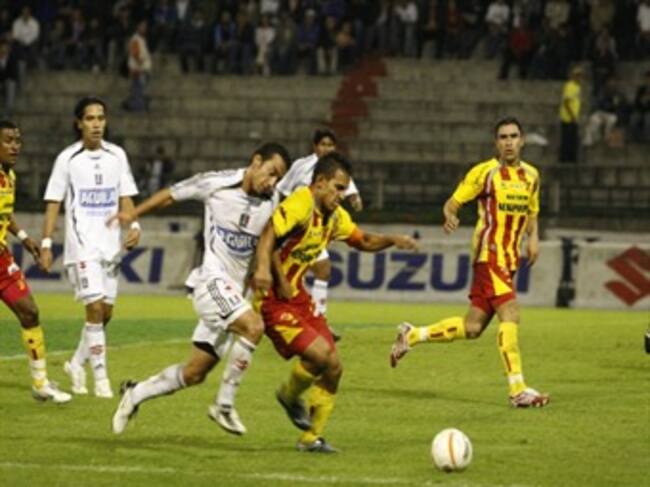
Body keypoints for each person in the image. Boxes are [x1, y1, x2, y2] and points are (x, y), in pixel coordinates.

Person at [111, 142, 291, 436]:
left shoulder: (273, 200)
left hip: (235, 295)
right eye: (271, 173)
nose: (272, 182)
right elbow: (171, 194)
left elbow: (268, 241)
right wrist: (134, 214)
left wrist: (266, 270)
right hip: (211, 283)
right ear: (256, 161)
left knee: (194, 373)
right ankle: (224, 405)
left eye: (278, 178)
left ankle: (135, 393)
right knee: (254, 327)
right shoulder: (217, 183)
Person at [252, 152, 417, 452]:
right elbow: (269, 234)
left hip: (298, 298)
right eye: (338, 188)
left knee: (334, 367)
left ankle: (310, 438)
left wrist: (392, 239)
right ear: (319, 183)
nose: (341, 195)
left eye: (344, 189)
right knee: (320, 355)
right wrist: (266, 271)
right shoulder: (300, 203)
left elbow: (363, 241)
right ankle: (289, 396)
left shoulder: (335, 217)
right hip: (273, 300)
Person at [389, 117, 550, 409]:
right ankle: (518, 390)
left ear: (522, 140)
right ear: (496, 143)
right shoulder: (484, 172)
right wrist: (450, 215)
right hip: (489, 255)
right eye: (503, 137)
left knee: (472, 327)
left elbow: (532, 211)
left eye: (514, 136)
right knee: (511, 313)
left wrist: (534, 238)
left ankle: (412, 335)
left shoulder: (532, 176)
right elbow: (453, 202)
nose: (509, 142)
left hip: (509, 258)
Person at [39, 96, 141, 399]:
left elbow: (125, 195)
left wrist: (134, 226)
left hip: (110, 247)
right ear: (79, 123)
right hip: (82, 247)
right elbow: (53, 203)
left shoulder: (117, 155)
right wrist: (47, 243)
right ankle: (102, 381)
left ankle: (75, 364)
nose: (96, 124)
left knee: (105, 313)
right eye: (90, 118)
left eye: (100, 118)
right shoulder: (67, 159)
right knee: (94, 308)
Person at [0, 120, 71, 403]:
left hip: (2, 260)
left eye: (17, 140)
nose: (15, 146)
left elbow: (5, 214)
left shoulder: (9, 176)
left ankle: (41, 383)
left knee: (29, 312)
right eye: (8, 140)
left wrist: (24, 237)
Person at [276, 129, 362, 323]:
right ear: (315, 147)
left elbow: (350, 192)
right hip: (294, 228)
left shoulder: (337, 170)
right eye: (323, 144)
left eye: (330, 145)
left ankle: (318, 316)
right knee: (286, 273)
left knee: (323, 269)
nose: (326, 148)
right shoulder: (301, 166)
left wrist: (355, 199)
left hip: (316, 229)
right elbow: (282, 190)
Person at [558, 65, 583, 163]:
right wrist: (572, 116)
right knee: (567, 139)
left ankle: (571, 158)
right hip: (568, 117)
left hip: (573, 117)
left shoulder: (577, 87)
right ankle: (565, 159)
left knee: (572, 139)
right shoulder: (570, 86)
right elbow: (566, 102)